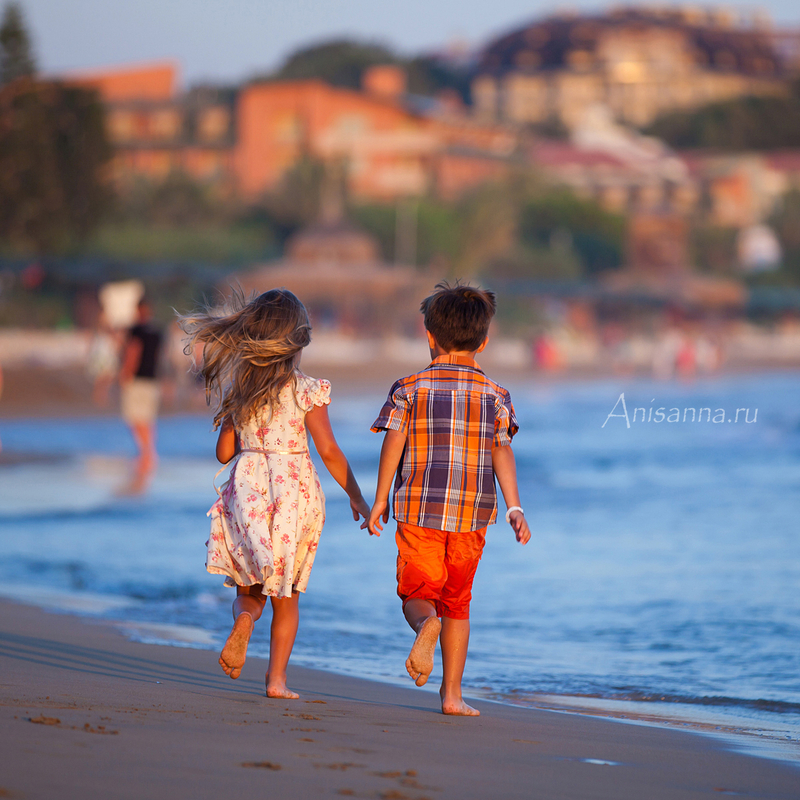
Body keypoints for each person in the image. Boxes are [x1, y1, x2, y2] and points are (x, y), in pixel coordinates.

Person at [180, 289, 370, 699]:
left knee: (248, 590)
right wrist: (356, 496)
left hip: (248, 491)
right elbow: (329, 451)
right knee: (288, 597)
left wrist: (234, 425)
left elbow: (224, 454)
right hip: (293, 496)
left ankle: (245, 619)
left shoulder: (241, 389)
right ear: (298, 342)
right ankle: (277, 681)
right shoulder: (308, 390)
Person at [368, 281, 531, 717]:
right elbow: (501, 451)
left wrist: (380, 499)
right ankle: (453, 696)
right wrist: (514, 507)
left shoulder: (409, 388)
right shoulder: (496, 395)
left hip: (418, 509)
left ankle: (426, 624)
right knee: (458, 602)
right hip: (472, 515)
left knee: (417, 591)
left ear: (429, 336)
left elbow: (393, 442)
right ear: (484, 341)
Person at [119, 297, 162, 485]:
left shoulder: (135, 330)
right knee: (148, 419)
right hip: (152, 379)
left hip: (137, 379)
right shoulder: (157, 331)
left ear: (137, 311)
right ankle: (149, 454)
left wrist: (126, 372)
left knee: (134, 417)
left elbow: (133, 350)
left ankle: (146, 454)